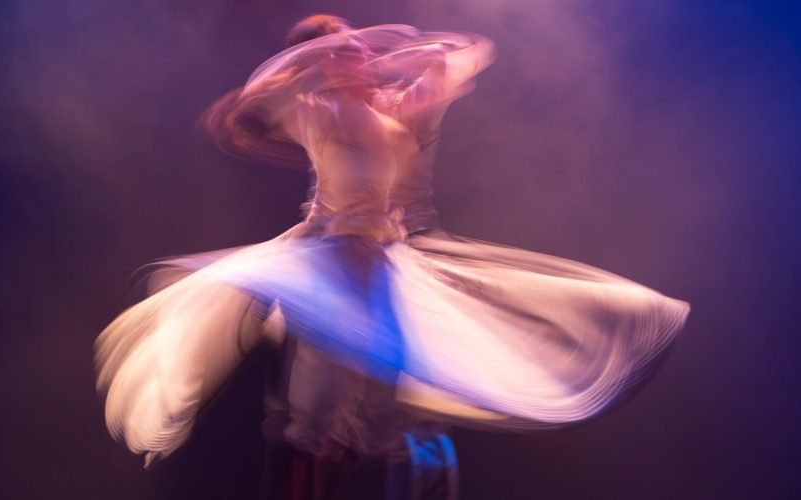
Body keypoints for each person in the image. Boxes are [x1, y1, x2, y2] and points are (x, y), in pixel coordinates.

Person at [95, 14, 690, 500]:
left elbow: (466, 57)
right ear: (318, 66)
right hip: (330, 257)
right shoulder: (316, 108)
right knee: (317, 417)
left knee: (371, 420)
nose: (352, 54)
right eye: (336, 51)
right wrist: (328, 56)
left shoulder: (396, 108)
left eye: (352, 45)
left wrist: (409, 51)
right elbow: (259, 95)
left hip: (385, 262)